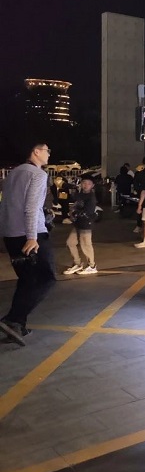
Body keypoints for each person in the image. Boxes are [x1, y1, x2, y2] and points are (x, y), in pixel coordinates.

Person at [0, 142, 57, 346]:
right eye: (47, 151)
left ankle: (18, 326)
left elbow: (5, 205)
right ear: (36, 152)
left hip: (11, 235)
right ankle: (13, 319)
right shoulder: (38, 174)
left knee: (27, 279)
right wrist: (32, 237)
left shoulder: (12, 174)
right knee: (47, 277)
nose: (49, 154)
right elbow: (31, 207)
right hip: (30, 235)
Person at [63, 173, 98, 276]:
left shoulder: (91, 197)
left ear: (92, 185)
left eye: (88, 184)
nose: (85, 185)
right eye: (84, 183)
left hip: (86, 224)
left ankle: (92, 266)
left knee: (86, 245)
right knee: (70, 242)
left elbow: (88, 211)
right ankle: (77, 263)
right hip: (78, 223)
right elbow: (73, 202)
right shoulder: (80, 194)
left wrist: (74, 212)